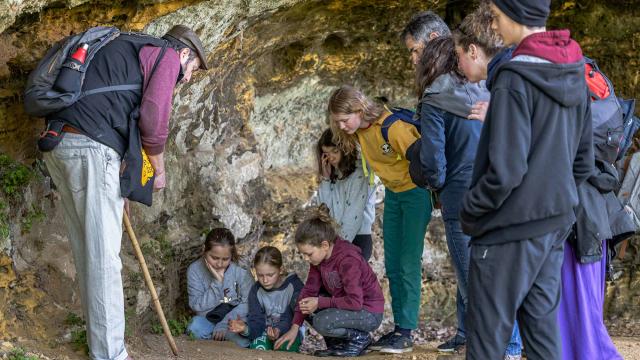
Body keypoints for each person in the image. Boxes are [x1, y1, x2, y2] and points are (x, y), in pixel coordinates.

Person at [42, 24, 207, 360]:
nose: (187, 78)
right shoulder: (167, 56)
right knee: (104, 259)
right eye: (191, 70)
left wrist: (122, 188)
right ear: (186, 53)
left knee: (90, 253)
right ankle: (111, 355)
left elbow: (114, 108)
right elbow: (153, 119)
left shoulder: (127, 48)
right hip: (90, 148)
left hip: (61, 145)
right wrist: (158, 170)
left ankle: (99, 347)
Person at [460, 1, 594, 359]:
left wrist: (469, 211)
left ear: (512, 15)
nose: (495, 24)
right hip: (554, 223)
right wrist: (555, 196)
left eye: (497, 16)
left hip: (507, 229)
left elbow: (505, 172)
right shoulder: (575, 68)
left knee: (487, 341)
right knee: (543, 335)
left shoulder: (513, 79)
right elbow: (584, 161)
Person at [329, 86, 431, 354]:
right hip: (395, 196)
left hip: (415, 194)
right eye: (337, 121)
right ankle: (399, 328)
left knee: (408, 262)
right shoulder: (360, 133)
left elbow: (424, 157)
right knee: (393, 263)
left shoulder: (391, 126)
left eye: (344, 119)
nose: (341, 125)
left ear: (359, 109)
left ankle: (406, 331)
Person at [451, 6, 523, 359]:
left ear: (474, 51)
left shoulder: (509, 77)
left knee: (496, 285)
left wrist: (475, 206)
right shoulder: (506, 77)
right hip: (542, 207)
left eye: (459, 57)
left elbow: (510, 158)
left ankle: (508, 350)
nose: (459, 68)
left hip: (517, 208)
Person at [274, 204, 384, 357]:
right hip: (346, 306)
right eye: (303, 254)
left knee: (321, 321)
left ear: (324, 245)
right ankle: (338, 345)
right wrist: (294, 327)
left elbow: (355, 302)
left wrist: (319, 302)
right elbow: (308, 291)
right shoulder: (318, 260)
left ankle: (360, 339)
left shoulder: (347, 260)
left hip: (368, 312)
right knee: (298, 301)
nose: (306, 258)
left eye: (309, 254)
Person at [227, 246, 304, 352]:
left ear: (280, 269)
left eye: (270, 275)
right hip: (264, 332)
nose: (265, 280)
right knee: (258, 348)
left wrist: (278, 330)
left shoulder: (293, 285)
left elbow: (291, 316)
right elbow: (256, 320)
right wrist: (245, 329)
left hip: (289, 330)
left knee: (284, 347)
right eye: (260, 275)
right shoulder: (256, 291)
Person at [186, 228, 254, 347]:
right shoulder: (195, 270)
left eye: (225, 259)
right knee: (194, 328)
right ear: (204, 250)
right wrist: (217, 283)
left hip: (235, 319)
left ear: (231, 255)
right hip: (209, 318)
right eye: (214, 258)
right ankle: (220, 338)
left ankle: (221, 337)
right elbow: (196, 305)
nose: (219, 264)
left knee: (243, 341)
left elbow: (248, 303)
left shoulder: (241, 270)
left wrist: (223, 324)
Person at [315, 128, 376, 261]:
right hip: (335, 241)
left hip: (356, 239)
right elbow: (323, 209)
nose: (330, 157)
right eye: (326, 153)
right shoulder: (333, 174)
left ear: (345, 149)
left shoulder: (359, 174)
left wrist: (336, 249)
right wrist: (325, 180)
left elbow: (353, 216)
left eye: (335, 151)